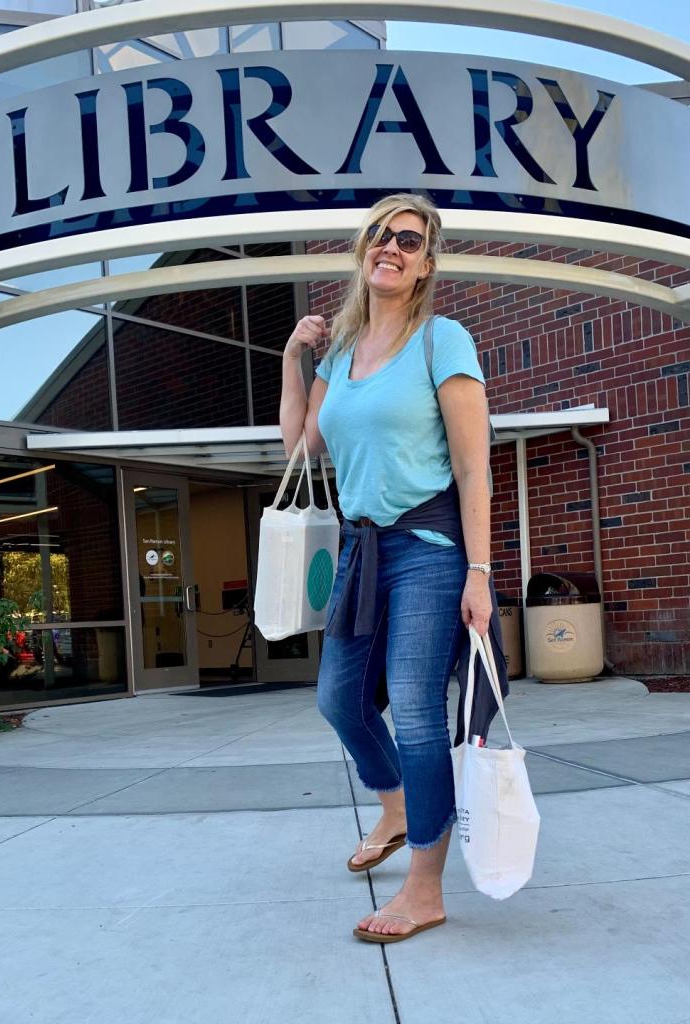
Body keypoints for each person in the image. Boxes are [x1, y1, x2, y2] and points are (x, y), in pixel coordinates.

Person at [279, 193, 493, 944]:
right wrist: (290, 361)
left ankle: (426, 888)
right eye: (380, 234)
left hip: (429, 550)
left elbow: (473, 469)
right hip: (361, 548)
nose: (391, 247)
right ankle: (395, 803)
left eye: (409, 238)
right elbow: (302, 448)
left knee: (417, 711)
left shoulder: (443, 341)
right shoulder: (338, 353)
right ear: (362, 250)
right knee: (339, 700)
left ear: (427, 263)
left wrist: (480, 572)